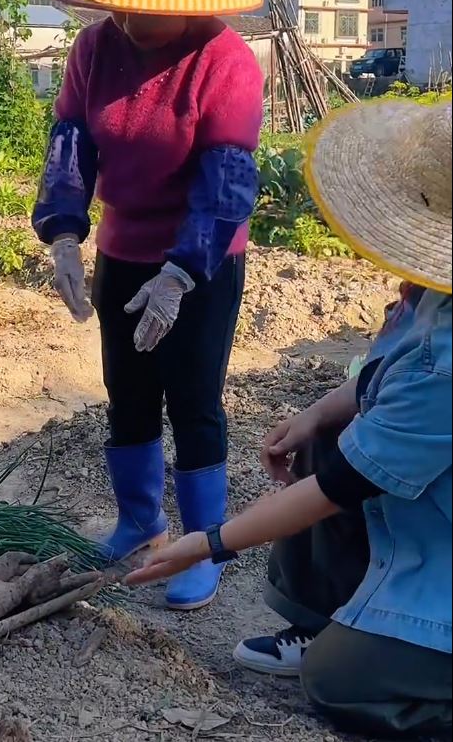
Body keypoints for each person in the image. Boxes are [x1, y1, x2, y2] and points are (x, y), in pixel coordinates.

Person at [128, 97, 452, 739]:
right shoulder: (436, 297)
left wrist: (211, 542)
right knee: (332, 435)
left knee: (339, 685)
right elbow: (387, 375)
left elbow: (341, 486)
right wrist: (315, 414)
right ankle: (327, 617)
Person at [32, 0, 265, 610]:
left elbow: (227, 179)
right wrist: (64, 232)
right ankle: (139, 520)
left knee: (193, 399)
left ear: (188, 3)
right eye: (122, 5)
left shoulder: (225, 61)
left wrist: (180, 273)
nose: (132, 20)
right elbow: (71, 143)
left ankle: (202, 543)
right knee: (127, 391)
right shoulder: (94, 49)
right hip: (125, 246)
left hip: (202, 259)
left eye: (150, 8)